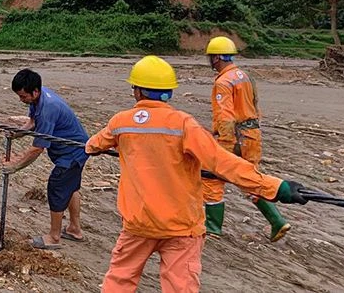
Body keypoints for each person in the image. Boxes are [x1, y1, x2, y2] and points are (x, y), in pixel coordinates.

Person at [85, 55, 308, 293]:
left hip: (138, 225)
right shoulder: (183, 124)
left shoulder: (121, 122)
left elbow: (92, 145)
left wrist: (111, 146)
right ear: (169, 92)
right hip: (182, 228)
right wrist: (275, 187)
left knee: (119, 281)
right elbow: (223, 163)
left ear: (137, 91)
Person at [202, 36, 291, 242]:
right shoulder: (244, 76)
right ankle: (277, 221)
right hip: (252, 135)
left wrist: (223, 145)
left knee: (211, 176)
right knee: (250, 179)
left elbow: (226, 116)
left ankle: (213, 227)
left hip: (235, 137)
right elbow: (254, 105)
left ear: (216, 58)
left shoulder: (223, 82)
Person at [2, 69, 90, 250]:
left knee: (57, 187)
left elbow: (37, 148)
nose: (22, 100)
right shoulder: (38, 97)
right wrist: (18, 133)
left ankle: (54, 237)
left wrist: (15, 166)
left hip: (73, 153)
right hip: (73, 150)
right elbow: (32, 121)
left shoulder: (49, 107)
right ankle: (74, 229)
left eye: (23, 96)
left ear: (35, 91)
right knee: (71, 187)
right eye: (19, 96)